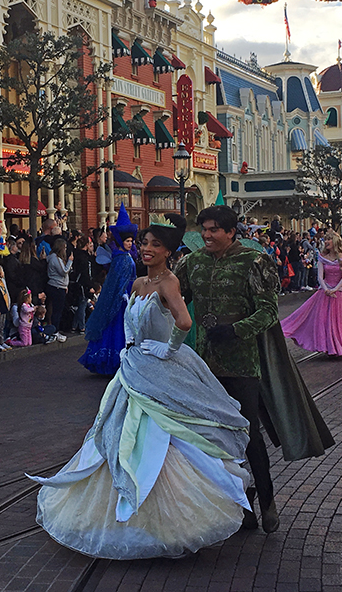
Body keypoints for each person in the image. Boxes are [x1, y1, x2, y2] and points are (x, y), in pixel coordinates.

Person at [29, 213, 251, 559]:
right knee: (117, 434)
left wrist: (170, 347)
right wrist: (129, 347)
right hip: (133, 368)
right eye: (144, 242)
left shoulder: (168, 283)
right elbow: (132, 322)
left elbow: (184, 320)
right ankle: (122, 515)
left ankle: (171, 519)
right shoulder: (136, 283)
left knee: (160, 440)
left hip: (160, 370)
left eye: (155, 245)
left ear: (168, 251)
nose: (147, 249)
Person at [175, 205, 335, 534]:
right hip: (205, 365)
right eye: (204, 229)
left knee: (249, 435)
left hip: (243, 363)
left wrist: (235, 330)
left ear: (231, 232)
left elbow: (267, 312)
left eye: (214, 230)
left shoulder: (253, 262)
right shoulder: (193, 263)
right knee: (214, 440)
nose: (206, 235)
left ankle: (267, 501)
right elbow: (174, 298)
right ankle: (238, 503)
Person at [281, 232, 342, 358]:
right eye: (326, 239)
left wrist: (335, 289)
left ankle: (340, 347)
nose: (326, 241)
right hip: (325, 292)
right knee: (325, 321)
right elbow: (320, 276)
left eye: (329, 239)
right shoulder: (322, 257)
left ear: (335, 241)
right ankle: (331, 347)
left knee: (340, 322)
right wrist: (326, 289)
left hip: (340, 292)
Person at [79, 204, 137, 375]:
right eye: (127, 241)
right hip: (121, 299)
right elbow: (117, 282)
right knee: (118, 328)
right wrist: (123, 296)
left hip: (127, 296)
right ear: (120, 241)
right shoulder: (122, 259)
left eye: (131, 241)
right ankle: (114, 360)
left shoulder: (124, 257)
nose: (129, 244)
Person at [45, 239, 72, 342]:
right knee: (57, 311)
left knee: (56, 310)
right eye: (64, 248)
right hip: (56, 286)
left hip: (60, 286)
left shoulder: (54, 258)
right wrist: (70, 261)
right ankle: (55, 331)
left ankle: (54, 330)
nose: (65, 250)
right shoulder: (55, 258)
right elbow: (63, 271)